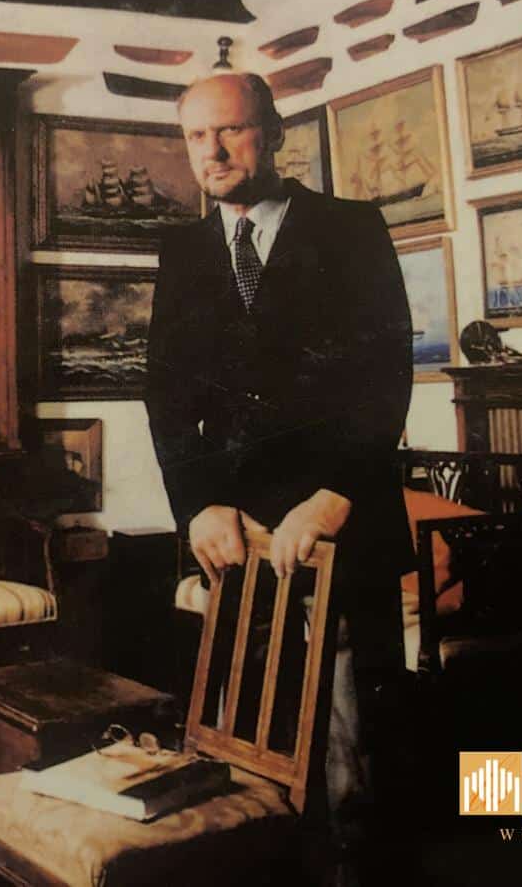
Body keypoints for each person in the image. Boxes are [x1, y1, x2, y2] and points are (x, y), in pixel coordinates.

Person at [145, 71, 414, 883]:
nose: (213, 151)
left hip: (342, 518)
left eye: (230, 130)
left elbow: (385, 378)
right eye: (197, 136)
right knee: (242, 735)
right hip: (237, 532)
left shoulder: (351, 228)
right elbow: (166, 397)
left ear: (274, 133)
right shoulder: (183, 251)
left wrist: (334, 497)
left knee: (354, 750)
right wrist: (199, 505)